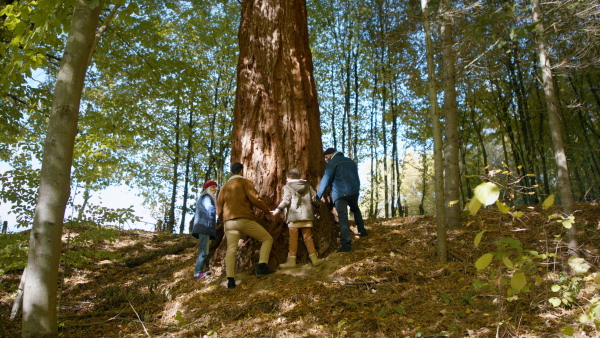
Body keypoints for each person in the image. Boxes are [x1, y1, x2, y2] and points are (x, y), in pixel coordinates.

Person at [217, 162, 275, 289]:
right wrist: (267, 210)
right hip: (244, 219)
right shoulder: (244, 182)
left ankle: (230, 280)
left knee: (231, 250)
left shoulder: (224, 187)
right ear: (241, 171)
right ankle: (261, 267)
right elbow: (255, 199)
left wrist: (224, 220)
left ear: (231, 172)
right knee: (267, 239)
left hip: (229, 222)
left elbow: (219, 209)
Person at [316, 148, 368, 252]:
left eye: (326, 157)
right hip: (354, 192)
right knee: (355, 209)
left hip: (340, 194)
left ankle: (346, 245)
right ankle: (363, 231)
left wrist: (318, 196)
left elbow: (326, 179)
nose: (326, 160)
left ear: (330, 154)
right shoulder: (350, 161)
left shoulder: (332, 163)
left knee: (343, 217)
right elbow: (356, 177)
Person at [271, 168, 325, 268]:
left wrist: (278, 210)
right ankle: (314, 259)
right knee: (308, 238)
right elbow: (313, 199)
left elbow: (286, 200)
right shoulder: (307, 186)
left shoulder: (288, 186)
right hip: (306, 216)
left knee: (293, 239)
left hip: (293, 217)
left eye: (287, 178)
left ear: (289, 177)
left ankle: (292, 261)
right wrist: (318, 206)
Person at [191, 180, 218, 280]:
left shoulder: (206, 196)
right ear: (207, 188)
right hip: (204, 227)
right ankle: (197, 273)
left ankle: (199, 271)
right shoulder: (206, 196)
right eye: (212, 187)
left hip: (203, 226)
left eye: (215, 187)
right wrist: (219, 211)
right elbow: (209, 208)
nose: (214, 189)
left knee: (204, 250)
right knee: (204, 251)